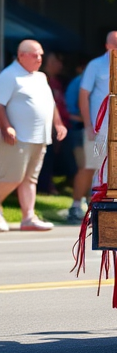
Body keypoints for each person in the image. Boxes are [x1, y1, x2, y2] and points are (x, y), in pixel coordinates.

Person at [0, 40, 66, 231]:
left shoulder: (41, 77)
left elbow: (50, 103)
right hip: (17, 138)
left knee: (30, 180)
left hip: (40, 137)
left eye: (40, 55)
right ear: (21, 56)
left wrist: (58, 123)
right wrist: (6, 127)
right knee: (12, 178)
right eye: (34, 55)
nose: (39, 59)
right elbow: (0, 104)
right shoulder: (9, 75)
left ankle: (28, 218)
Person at [72, 31, 117, 218]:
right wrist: (89, 125)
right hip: (98, 129)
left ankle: (109, 208)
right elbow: (83, 95)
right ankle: (81, 206)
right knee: (94, 165)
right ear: (107, 46)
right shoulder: (95, 65)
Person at [37, 52, 73, 196]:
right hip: (47, 126)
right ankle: (43, 186)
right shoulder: (41, 80)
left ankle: (48, 184)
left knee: (53, 156)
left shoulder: (57, 82)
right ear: (49, 63)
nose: (60, 65)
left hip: (61, 125)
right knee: (46, 156)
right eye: (57, 62)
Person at [64, 60, 87, 222]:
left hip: (85, 130)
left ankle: (86, 202)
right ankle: (77, 205)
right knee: (84, 168)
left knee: (90, 169)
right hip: (79, 129)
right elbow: (71, 110)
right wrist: (89, 121)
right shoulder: (80, 83)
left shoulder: (80, 81)